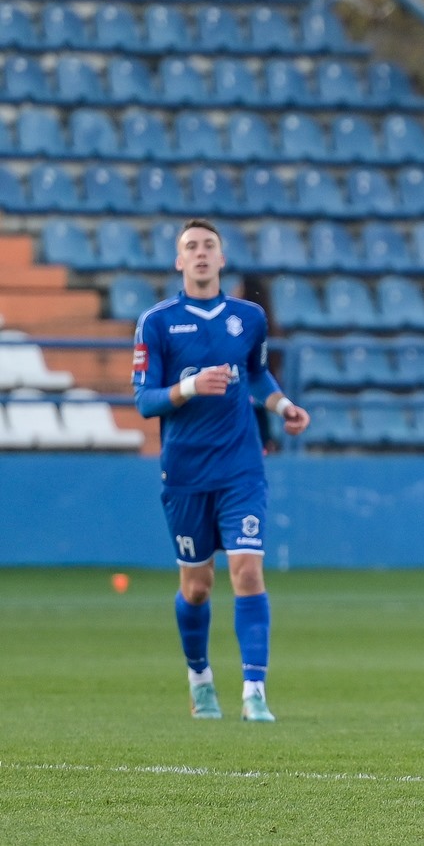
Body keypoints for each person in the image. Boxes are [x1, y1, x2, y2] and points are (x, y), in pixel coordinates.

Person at [131, 218, 311, 723]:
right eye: (191, 246)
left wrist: (281, 405)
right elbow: (145, 401)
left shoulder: (248, 318)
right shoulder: (157, 323)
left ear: (222, 258)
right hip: (185, 471)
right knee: (197, 587)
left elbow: (255, 373)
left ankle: (254, 690)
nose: (201, 253)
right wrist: (190, 388)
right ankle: (199, 679)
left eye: (209, 245)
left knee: (248, 571)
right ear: (179, 261)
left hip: (241, 467)